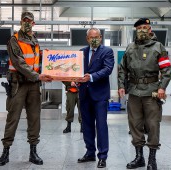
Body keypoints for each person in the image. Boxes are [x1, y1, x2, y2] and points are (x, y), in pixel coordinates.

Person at [0, 11, 52, 166]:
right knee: (13, 118)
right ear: (21, 22)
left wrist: (48, 60)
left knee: (34, 119)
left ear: (34, 23)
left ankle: (33, 152)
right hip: (18, 85)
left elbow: (35, 61)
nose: (27, 23)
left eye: (30, 20)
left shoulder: (35, 40)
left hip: (33, 86)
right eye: (24, 20)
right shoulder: (14, 40)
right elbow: (19, 62)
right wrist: (37, 76)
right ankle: (5, 152)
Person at [118, 18, 171, 170]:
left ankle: (152, 159)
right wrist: (121, 86)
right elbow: (122, 69)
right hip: (134, 92)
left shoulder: (158, 47)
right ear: (136, 30)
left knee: (153, 125)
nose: (142, 30)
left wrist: (162, 87)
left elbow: (167, 70)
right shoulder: (130, 48)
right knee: (135, 124)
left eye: (145, 27)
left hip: (152, 91)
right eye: (139, 27)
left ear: (150, 30)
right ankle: (139, 157)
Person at [77, 27, 114, 168]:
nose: (94, 39)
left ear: (101, 37)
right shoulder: (81, 52)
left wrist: (91, 77)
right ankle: (90, 152)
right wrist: (74, 79)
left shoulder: (107, 51)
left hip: (100, 95)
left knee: (101, 125)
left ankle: (103, 156)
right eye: (91, 37)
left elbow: (107, 69)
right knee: (86, 126)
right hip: (84, 94)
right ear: (87, 39)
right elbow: (76, 69)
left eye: (97, 36)